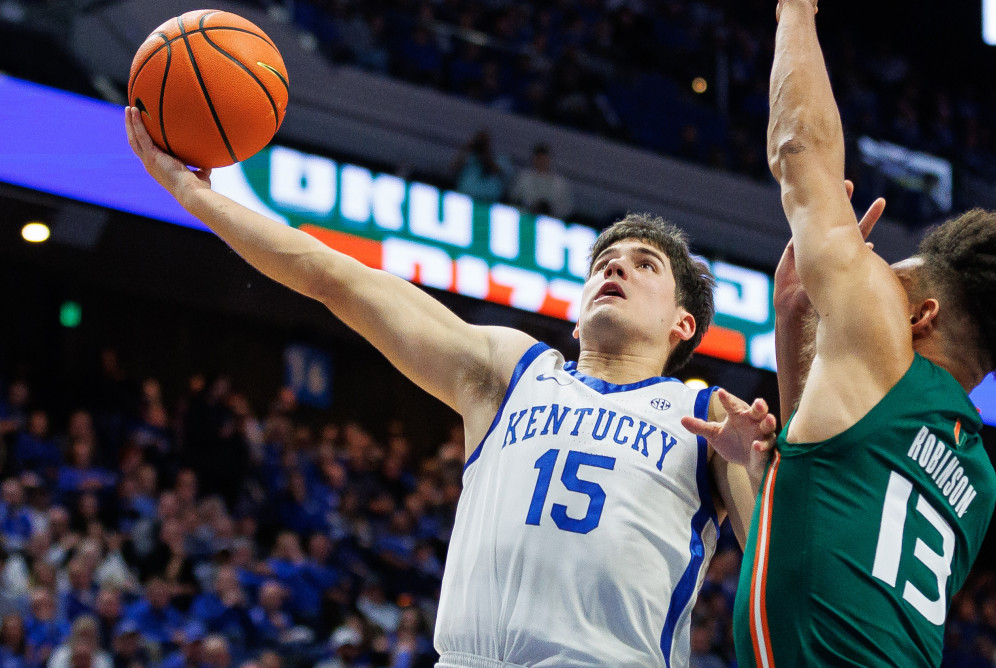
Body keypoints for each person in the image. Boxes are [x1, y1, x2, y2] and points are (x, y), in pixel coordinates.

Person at [124, 108, 774, 668]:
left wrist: (762, 470)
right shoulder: (512, 370)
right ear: (576, 313)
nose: (615, 267)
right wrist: (195, 195)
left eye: (644, 264)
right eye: (605, 261)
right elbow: (335, 279)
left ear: (682, 324)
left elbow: (782, 570)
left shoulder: (707, 415)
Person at [708, 2, 996, 666]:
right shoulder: (976, 479)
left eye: (885, 279)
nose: (867, 283)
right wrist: (794, 320)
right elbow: (808, 505)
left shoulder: (883, 351)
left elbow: (798, 148)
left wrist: (796, 10)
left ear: (920, 317)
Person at [509, 143, 574, 219]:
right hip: (526, 218)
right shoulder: (523, 177)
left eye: (544, 158)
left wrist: (549, 210)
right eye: (539, 158)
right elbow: (513, 199)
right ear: (534, 159)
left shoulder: (560, 183)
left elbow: (567, 209)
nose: (541, 162)